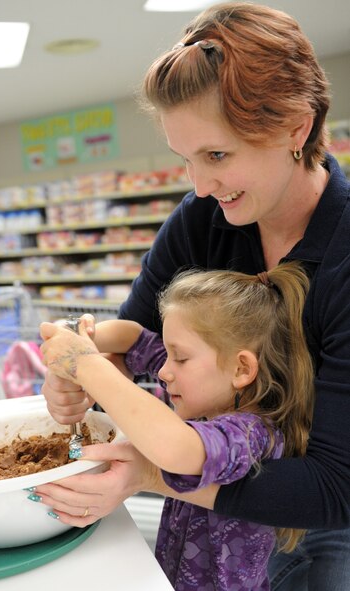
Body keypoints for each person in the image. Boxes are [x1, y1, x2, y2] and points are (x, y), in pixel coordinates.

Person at [38, 2, 350, 589]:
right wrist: (78, 371)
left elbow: (334, 488)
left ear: (295, 128)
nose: (201, 187)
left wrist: (154, 473)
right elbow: (131, 350)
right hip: (206, 514)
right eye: (186, 160)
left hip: (317, 515)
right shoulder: (201, 219)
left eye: (217, 156)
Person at [40, 261, 314, 591]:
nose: (165, 371)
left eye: (179, 358)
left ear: (242, 369)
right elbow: (134, 338)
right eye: (168, 356)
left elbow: (174, 449)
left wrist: (85, 363)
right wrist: (78, 335)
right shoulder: (206, 393)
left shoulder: (254, 434)